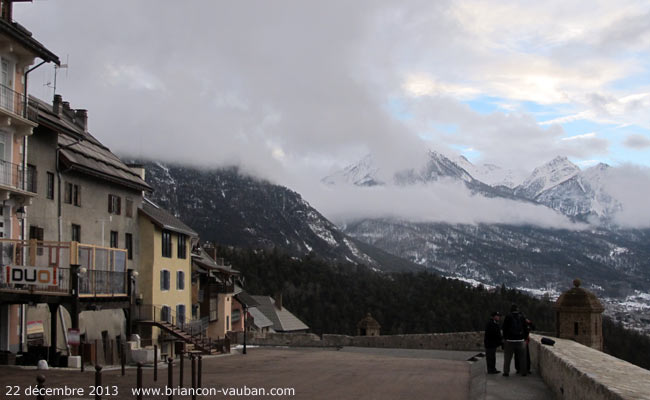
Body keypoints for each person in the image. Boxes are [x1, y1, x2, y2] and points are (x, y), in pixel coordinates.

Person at [501, 304, 529, 377]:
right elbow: (526, 329)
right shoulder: (522, 317)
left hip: (510, 340)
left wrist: (505, 338)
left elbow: (504, 328)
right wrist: (525, 338)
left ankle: (506, 372)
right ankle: (523, 372)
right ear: (517, 310)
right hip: (520, 340)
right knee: (522, 357)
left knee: (507, 357)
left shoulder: (508, 317)